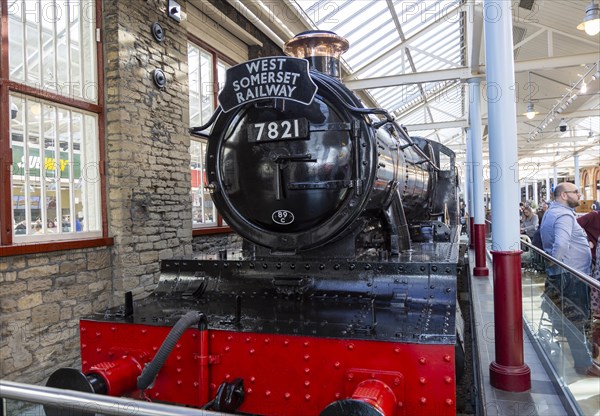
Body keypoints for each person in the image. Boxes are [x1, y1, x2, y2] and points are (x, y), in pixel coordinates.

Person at [539, 182, 598, 376]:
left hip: (567, 274)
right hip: (571, 275)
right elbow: (561, 245)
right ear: (564, 195)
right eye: (575, 192)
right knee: (576, 319)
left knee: (574, 318)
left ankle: (586, 356)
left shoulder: (551, 212)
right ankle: (584, 363)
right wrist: (556, 264)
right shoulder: (564, 215)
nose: (579, 195)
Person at [577, 211, 600, 369]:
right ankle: (594, 346)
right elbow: (577, 226)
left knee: (597, 316)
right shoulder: (593, 215)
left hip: (596, 278)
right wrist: (587, 241)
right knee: (597, 317)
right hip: (596, 279)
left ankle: (595, 346)